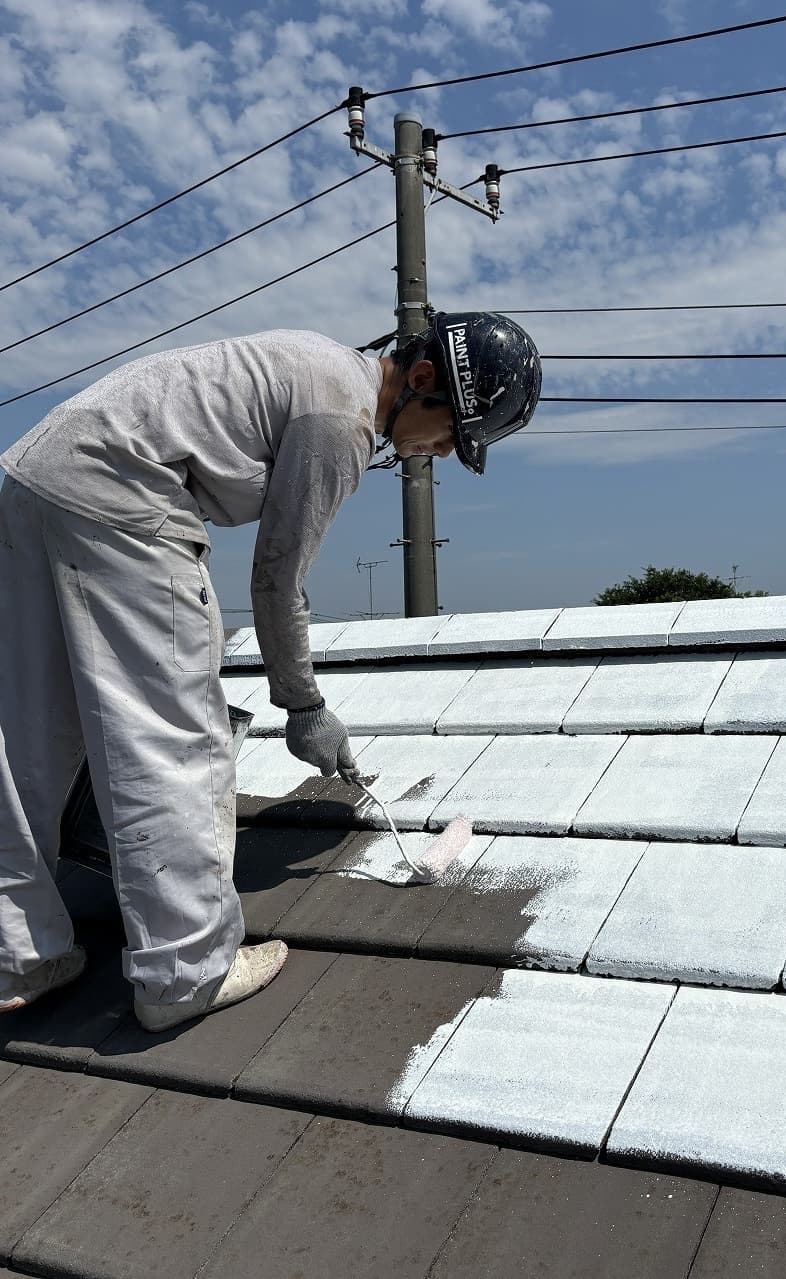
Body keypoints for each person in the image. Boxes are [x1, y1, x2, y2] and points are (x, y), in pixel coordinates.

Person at [0, 311, 541, 1031]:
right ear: (419, 380)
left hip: (35, 473)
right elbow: (278, 580)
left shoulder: (320, 364)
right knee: (173, 735)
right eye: (448, 436)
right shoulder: (342, 420)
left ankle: (19, 955)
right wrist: (304, 702)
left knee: (26, 734)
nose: (437, 454)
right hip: (120, 496)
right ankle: (187, 969)